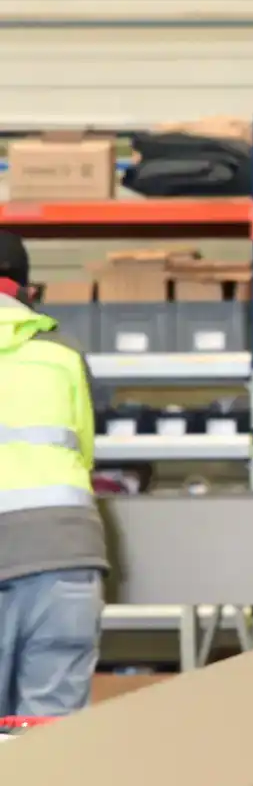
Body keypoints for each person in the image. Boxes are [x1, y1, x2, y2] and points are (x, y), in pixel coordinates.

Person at [0, 231, 107, 717]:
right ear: (25, 289)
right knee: (52, 736)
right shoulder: (62, 353)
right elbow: (84, 450)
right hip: (64, 553)